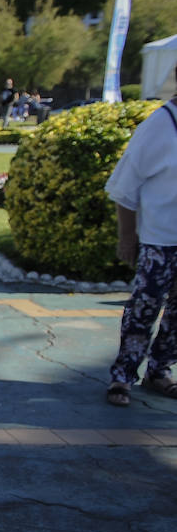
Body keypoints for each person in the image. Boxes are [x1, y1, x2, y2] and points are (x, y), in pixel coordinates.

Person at [103, 78, 177, 407]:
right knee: (145, 305)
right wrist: (127, 236)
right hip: (161, 240)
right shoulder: (160, 124)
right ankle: (123, 375)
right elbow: (124, 186)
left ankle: (160, 370)